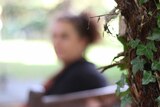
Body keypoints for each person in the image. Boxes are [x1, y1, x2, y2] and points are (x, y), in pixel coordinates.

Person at [44, 12, 107, 95]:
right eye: (55, 36)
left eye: (64, 36)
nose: (57, 43)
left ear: (83, 41)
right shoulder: (71, 71)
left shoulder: (83, 77)